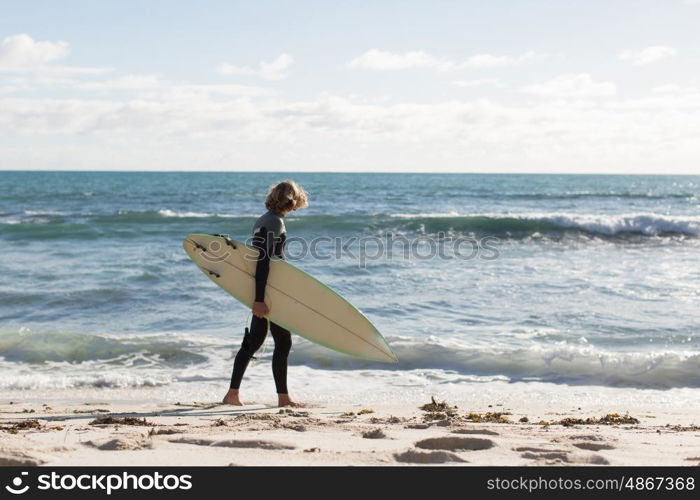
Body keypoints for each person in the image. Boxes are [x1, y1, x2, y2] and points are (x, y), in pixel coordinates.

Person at [222, 180, 308, 407]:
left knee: (255, 342)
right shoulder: (274, 223)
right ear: (292, 199)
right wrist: (260, 300)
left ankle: (233, 395)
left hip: (266, 288)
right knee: (280, 342)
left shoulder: (265, 219)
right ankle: (282, 398)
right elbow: (263, 261)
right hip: (270, 291)